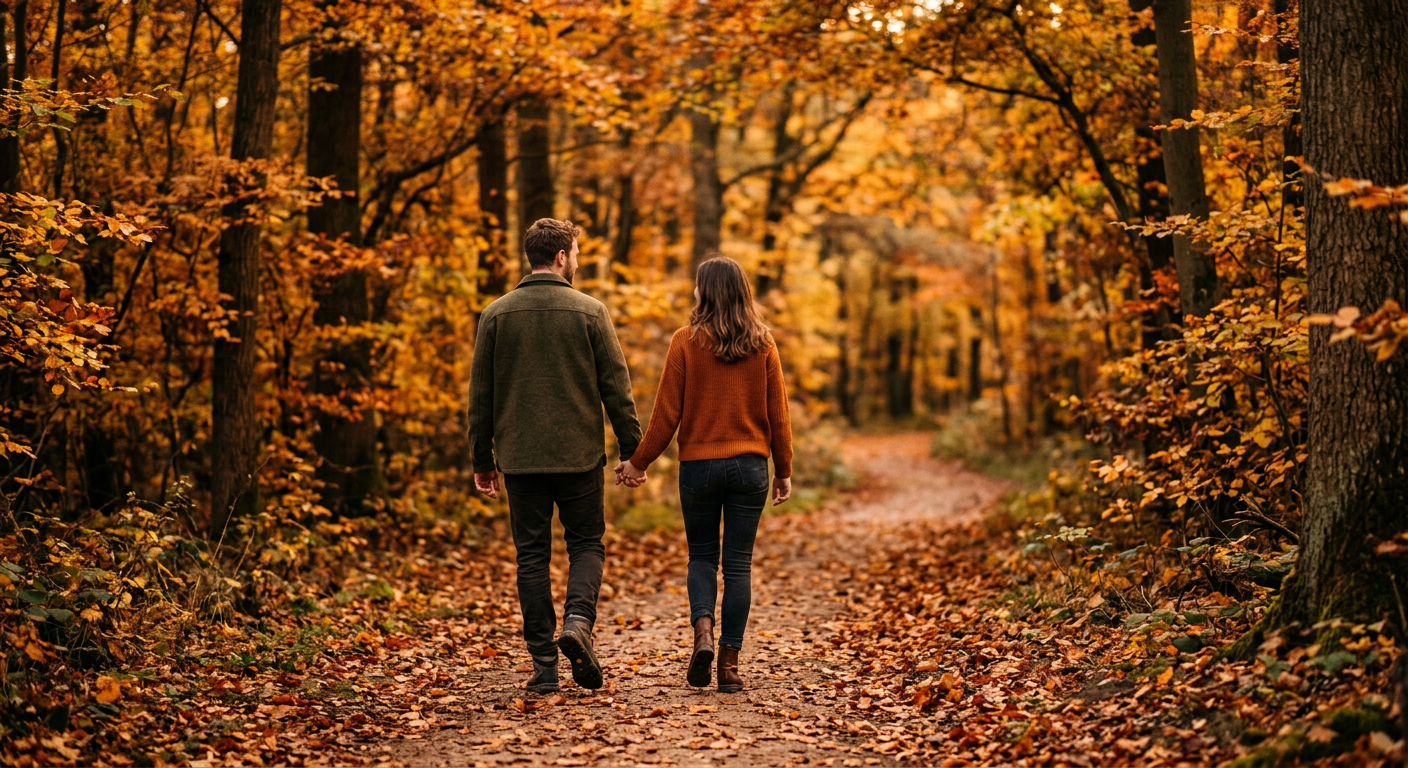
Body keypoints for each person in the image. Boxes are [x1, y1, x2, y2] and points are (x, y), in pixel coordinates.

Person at [468, 218, 642, 693]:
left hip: (520, 459)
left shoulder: (496, 314)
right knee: (586, 544)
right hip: (579, 456)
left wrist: (481, 459)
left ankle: (544, 664)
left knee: (531, 555)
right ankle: (577, 625)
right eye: (577, 253)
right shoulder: (590, 311)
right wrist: (633, 451)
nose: (579, 261)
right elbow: (616, 389)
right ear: (561, 256)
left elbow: (480, 396)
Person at [617, 256, 793, 693]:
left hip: (697, 467)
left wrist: (637, 462)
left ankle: (703, 636)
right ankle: (729, 666)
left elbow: (665, 416)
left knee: (701, 557)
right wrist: (784, 469)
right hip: (751, 466)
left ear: (704, 292)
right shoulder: (763, 343)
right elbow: (779, 415)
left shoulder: (684, 342)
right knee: (738, 566)